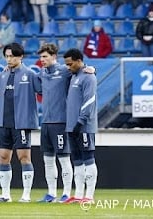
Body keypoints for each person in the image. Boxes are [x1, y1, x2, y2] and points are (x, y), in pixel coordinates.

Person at [0, 42, 42, 203]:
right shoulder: (3, 75)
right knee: (3, 157)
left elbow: (43, 90)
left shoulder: (30, 74)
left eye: (12, 56)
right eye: (7, 56)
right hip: (4, 122)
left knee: (24, 157)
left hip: (22, 123)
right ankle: (5, 195)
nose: (9, 59)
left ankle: (26, 195)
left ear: (21, 56)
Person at [37, 43, 73, 203]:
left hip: (60, 122)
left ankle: (66, 193)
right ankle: (51, 193)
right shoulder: (42, 73)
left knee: (64, 159)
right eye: (41, 57)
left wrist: (91, 69)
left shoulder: (65, 71)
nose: (42, 60)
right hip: (45, 122)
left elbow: (82, 72)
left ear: (54, 56)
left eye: (45, 56)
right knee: (48, 160)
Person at [63, 48, 98, 204]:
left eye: (70, 64)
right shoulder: (74, 76)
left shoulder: (89, 77)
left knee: (88, 158)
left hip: (84, 126)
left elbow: (89, 100)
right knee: (77, 160)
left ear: (79, 61)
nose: (68, 67)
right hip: (72, 125)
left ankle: (89, 196)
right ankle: (78, 195)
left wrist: (81, 121)